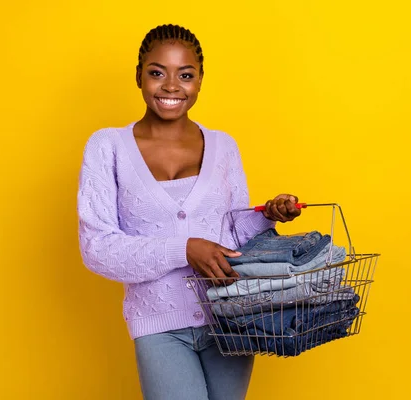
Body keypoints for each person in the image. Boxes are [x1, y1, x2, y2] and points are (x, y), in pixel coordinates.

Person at [77, 24, 302, 400]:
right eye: (156, 72)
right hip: (158, 326)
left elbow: (232, 233)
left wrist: (268, 214)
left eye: (185, 75)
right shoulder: (108, 147)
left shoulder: (223, 146)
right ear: (138, 76)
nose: (170, 86)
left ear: (199, 81)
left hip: (232, 316)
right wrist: (184, 249)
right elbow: (97, 248)